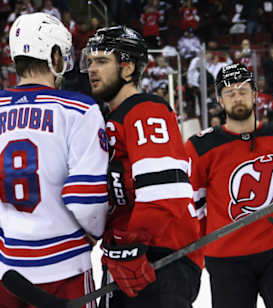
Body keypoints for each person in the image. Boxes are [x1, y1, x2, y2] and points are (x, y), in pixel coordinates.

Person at [0, 12, 109, 307]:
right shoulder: (80, 110)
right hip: (61, 269)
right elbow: (88, 199)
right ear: (54, 56)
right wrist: (93, 234)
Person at [184, 63, 273, 308]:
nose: (237, 97)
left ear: (255, 95)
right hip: (226, 259)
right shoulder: (200, 146)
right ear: (220, 100)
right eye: (229, 93)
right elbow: (193, 206)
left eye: (243, 91)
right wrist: (193, 255)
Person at [80, 25, 203, 307]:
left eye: (102, 61)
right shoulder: (109, 118)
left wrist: (130, 246)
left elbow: (164, 193)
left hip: (157, 259)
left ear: (127, 68)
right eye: (90, 62)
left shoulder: (146, 110)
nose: (92, 70)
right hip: (126, 257)